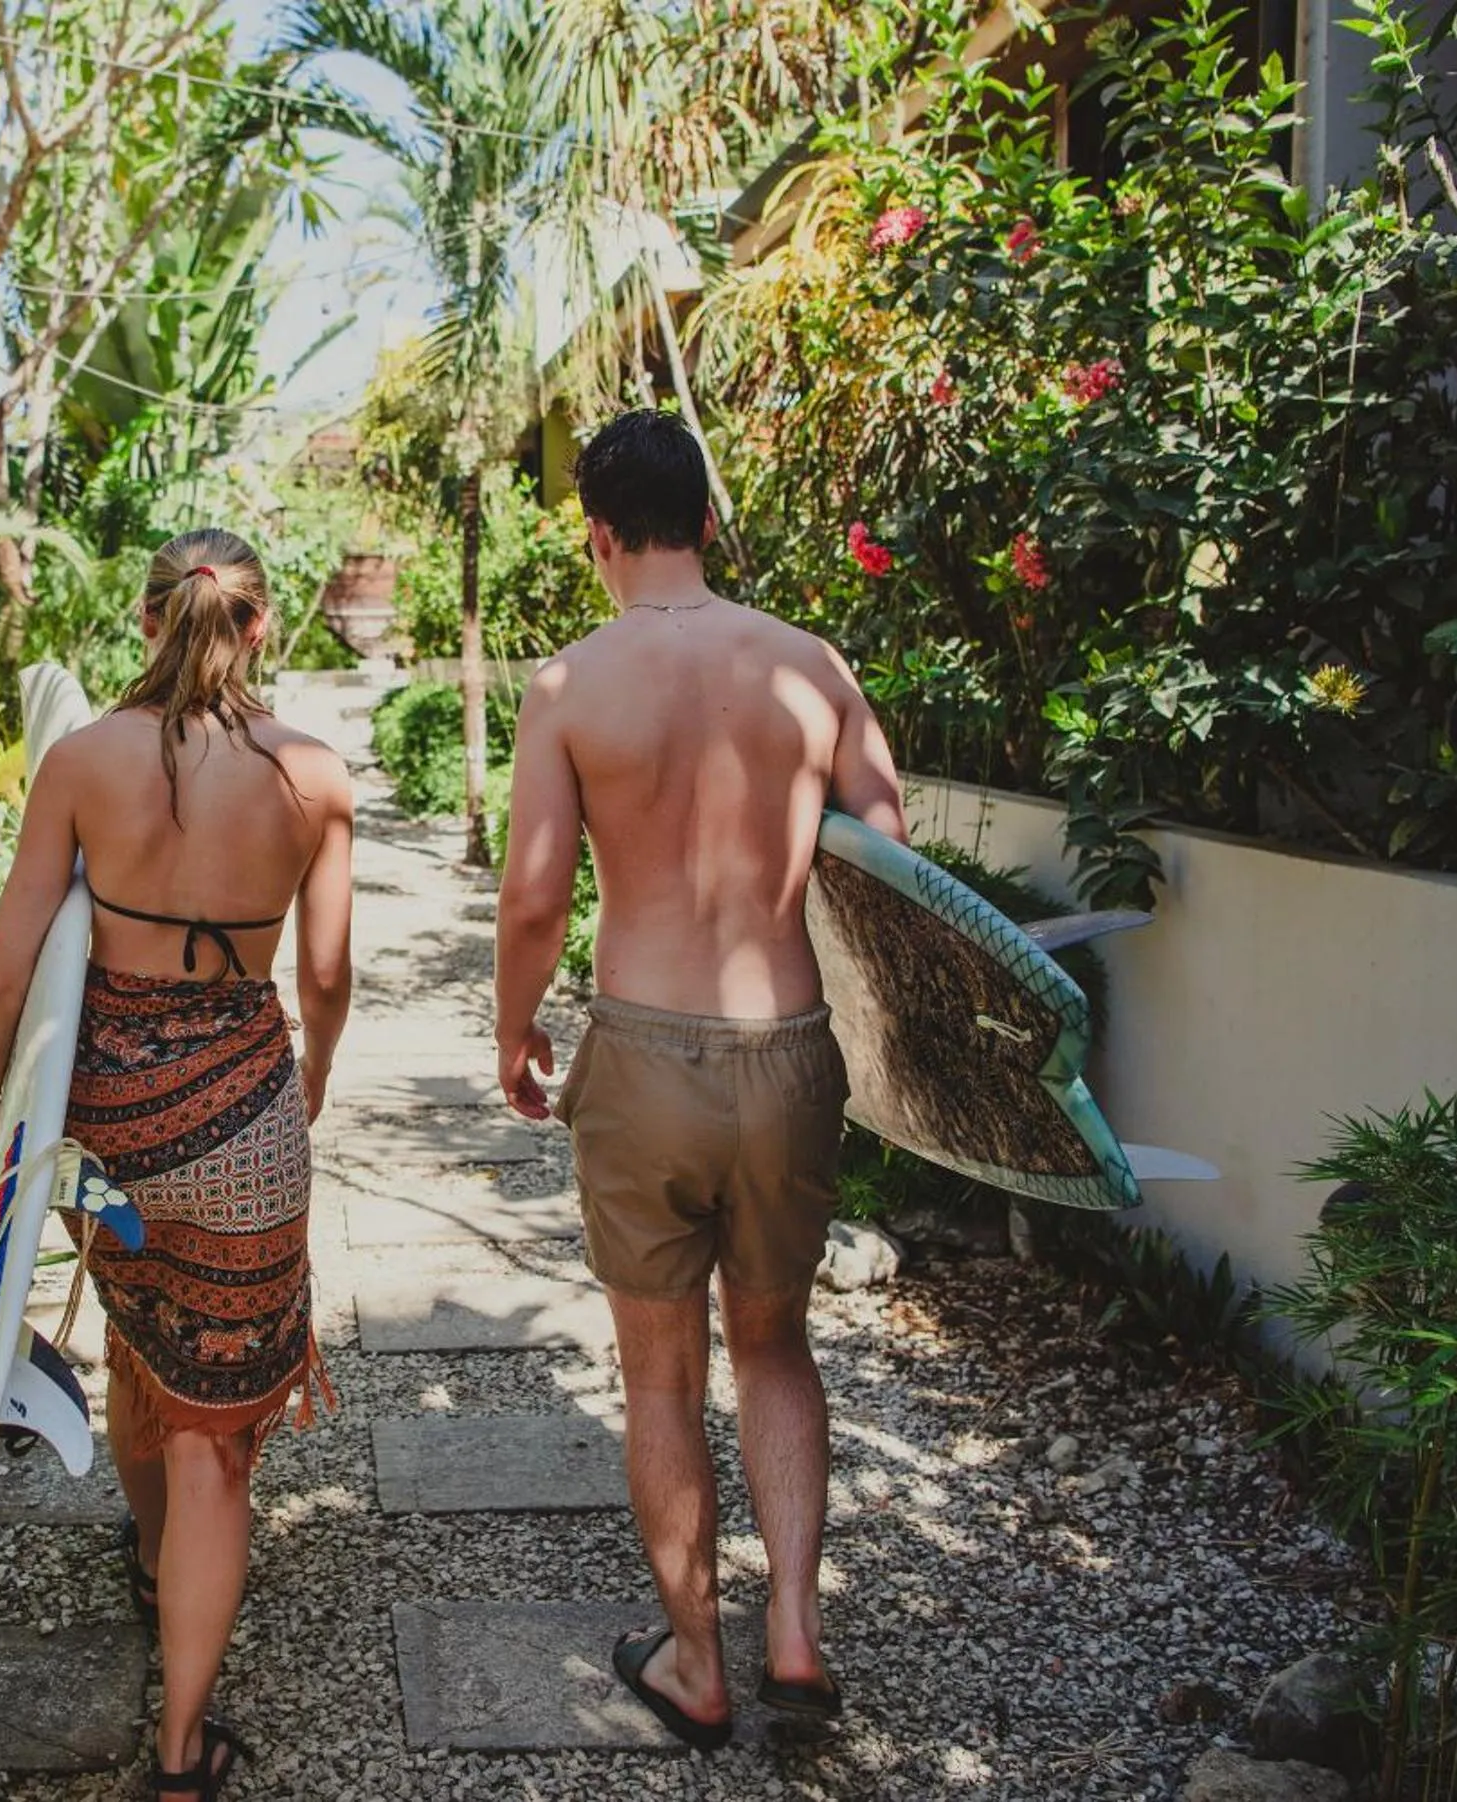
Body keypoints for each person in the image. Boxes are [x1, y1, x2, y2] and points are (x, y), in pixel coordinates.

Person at [493, 410, 908, 1750]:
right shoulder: (810, 666)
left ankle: (695, 1662)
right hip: (784, 1046)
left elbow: (535, 895)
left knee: (661, 1374)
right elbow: (891, 856)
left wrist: (514, 1029)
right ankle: (795, 1630)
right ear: (711, 523)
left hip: (647, 1047)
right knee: (776, 1340)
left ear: (597, 535)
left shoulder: (570, 686)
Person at [0, 528, 354, 1801]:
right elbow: (329, 976)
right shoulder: (311, 773)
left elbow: (5, 977)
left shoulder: (83, 761)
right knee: (218, 1441)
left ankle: (151, 1554)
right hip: (245, 1124)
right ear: (264, 628)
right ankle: (183, 1749)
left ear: (150, 624)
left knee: (140, 1331)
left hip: (105, 1129)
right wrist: (304, 1089)